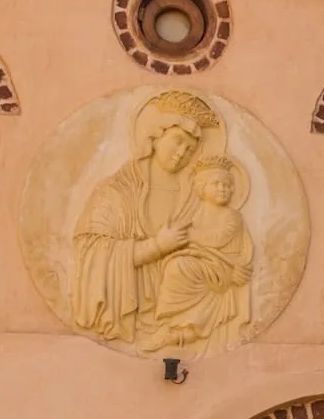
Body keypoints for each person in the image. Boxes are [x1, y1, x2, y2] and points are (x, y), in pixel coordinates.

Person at [70, 90, 218, 349]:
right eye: (177, 141)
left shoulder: (197, 195)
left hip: (188, 299)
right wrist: (158, 246)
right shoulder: (116, 192)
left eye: (191, 149)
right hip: (135, 304)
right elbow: (92, 252)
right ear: (154, 136)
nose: (182, 152)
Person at [153, 155, 253, 351]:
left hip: (222, 266)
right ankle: (177, 324)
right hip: (202, 262)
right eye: (216, 184)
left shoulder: (231, 216)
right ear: (201, 188)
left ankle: (189, 329)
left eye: (227, 185)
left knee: (179, 266)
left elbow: (218, 239)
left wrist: (189, 236)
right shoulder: (195, 214)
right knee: (173, 265)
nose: (223, 189)